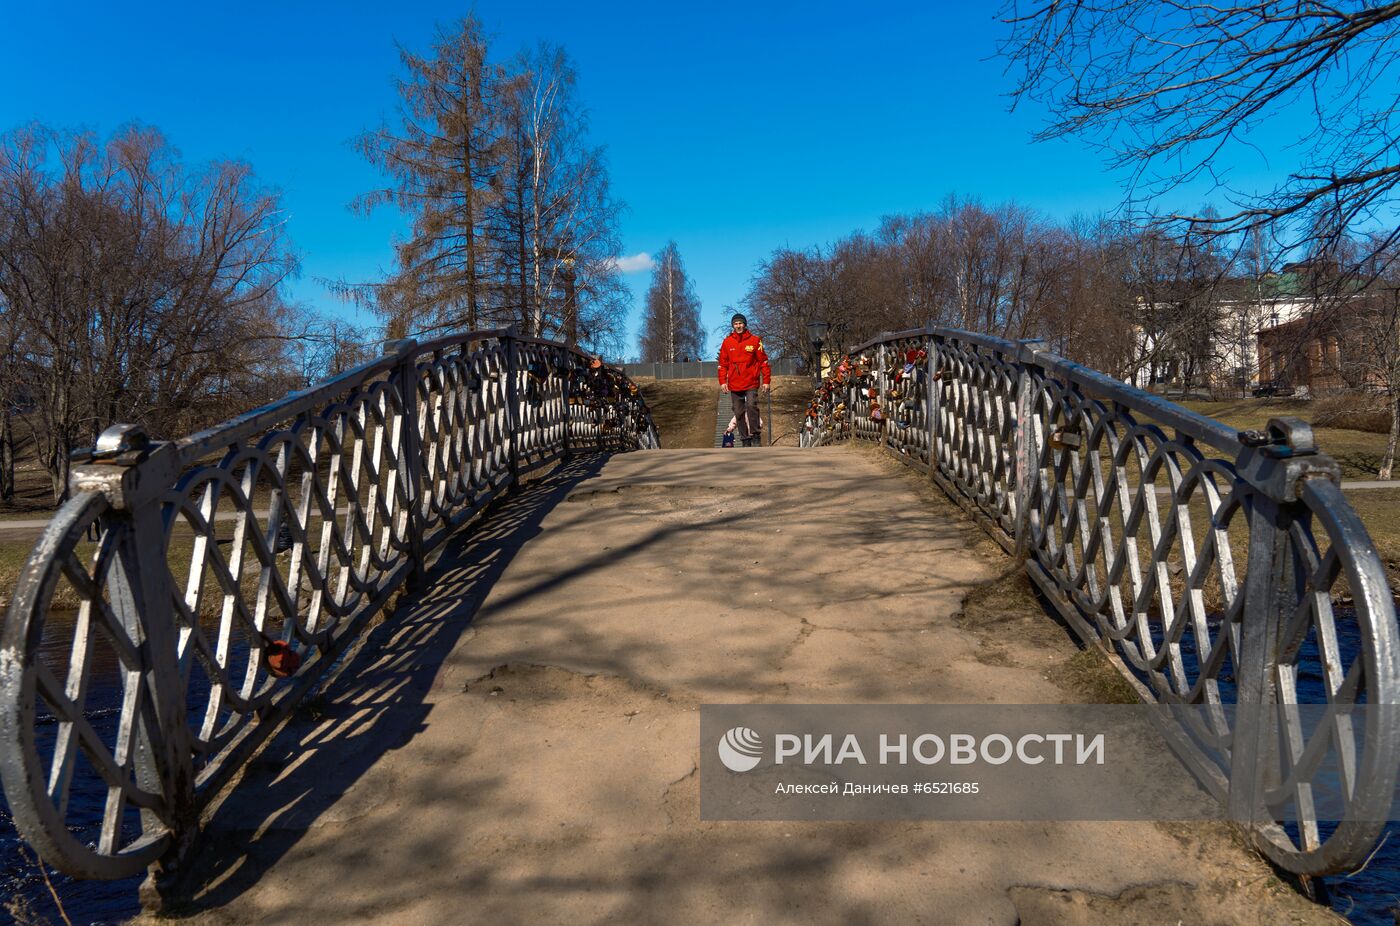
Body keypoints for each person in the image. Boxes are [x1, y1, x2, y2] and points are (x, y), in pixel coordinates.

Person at [717, 313, 771, 446]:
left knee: (752, 405)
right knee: (738, 412)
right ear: (733, 326)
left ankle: (756, 435)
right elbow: (722, 364)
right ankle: (745, 439)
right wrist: (723, 381)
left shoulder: (755, 340)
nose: (738, 326)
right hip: (735, 384)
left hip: (751, 381)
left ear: (745, 324)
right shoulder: (727, 342)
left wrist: (766, 381)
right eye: (735, 324)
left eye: (740, 323)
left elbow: (763, 361)